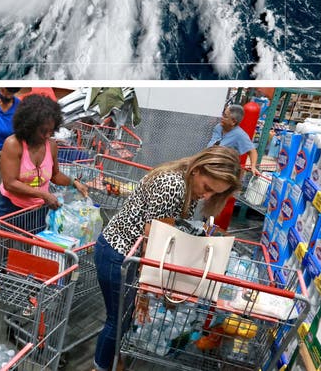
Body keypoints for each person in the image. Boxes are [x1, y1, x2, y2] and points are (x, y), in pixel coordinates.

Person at [92, 146, 242, 371]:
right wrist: (144, 292)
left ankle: (113, 360)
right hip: (119, 254)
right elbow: (152, 241)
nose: (207, 196)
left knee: (121, 318)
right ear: (197, 170)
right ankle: (101, 366)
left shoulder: (186, 182)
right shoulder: (173, 185)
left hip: (126, 255)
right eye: (207, 187)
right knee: (117, 320)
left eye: (215, 193)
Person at [0, 94, 89, 221]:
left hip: (38, 210)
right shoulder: (13, 144)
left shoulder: (51, 146)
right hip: (12, 208)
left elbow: (55, 175)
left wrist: (74, 182)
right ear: (29, 127)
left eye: (51, 131)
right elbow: (10, 183)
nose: (47, 135)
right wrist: (43, 194)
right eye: (43, 131)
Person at [207, 104, 260, 176]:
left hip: (222, 171)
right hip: (208, 163)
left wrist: (253, 166)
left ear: (233, 122)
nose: (222, 118)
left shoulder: (240, 135)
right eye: (223, 114)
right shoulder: (219, 127)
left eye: (225, 116)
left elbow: (252, 151)